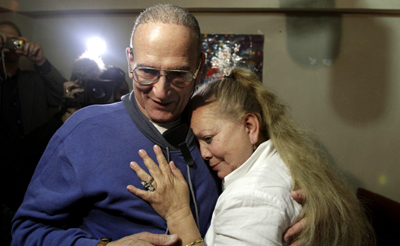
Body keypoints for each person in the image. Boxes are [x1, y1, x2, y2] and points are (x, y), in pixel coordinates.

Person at [11, 5, 303, 246]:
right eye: (147, 72)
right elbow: (26, 231)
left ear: (199, 66)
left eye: (178, 74)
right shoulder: (83, 131)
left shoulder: (214, 126)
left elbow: (269, 178)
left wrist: (308, 212)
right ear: (130, 60)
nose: (161, 92)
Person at [127, 68, 376, 246]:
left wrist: (178, 214)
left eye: (209, 138)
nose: (203, 153)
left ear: (250, 126)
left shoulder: (251, 198)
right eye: (198, 142)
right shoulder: (280, 159)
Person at [0, 21, 66, 245]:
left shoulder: (33, 80)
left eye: (13, 41)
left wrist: (40, 62)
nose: (8, 46)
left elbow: (63, 96)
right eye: (3, 40)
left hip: (34, 171)